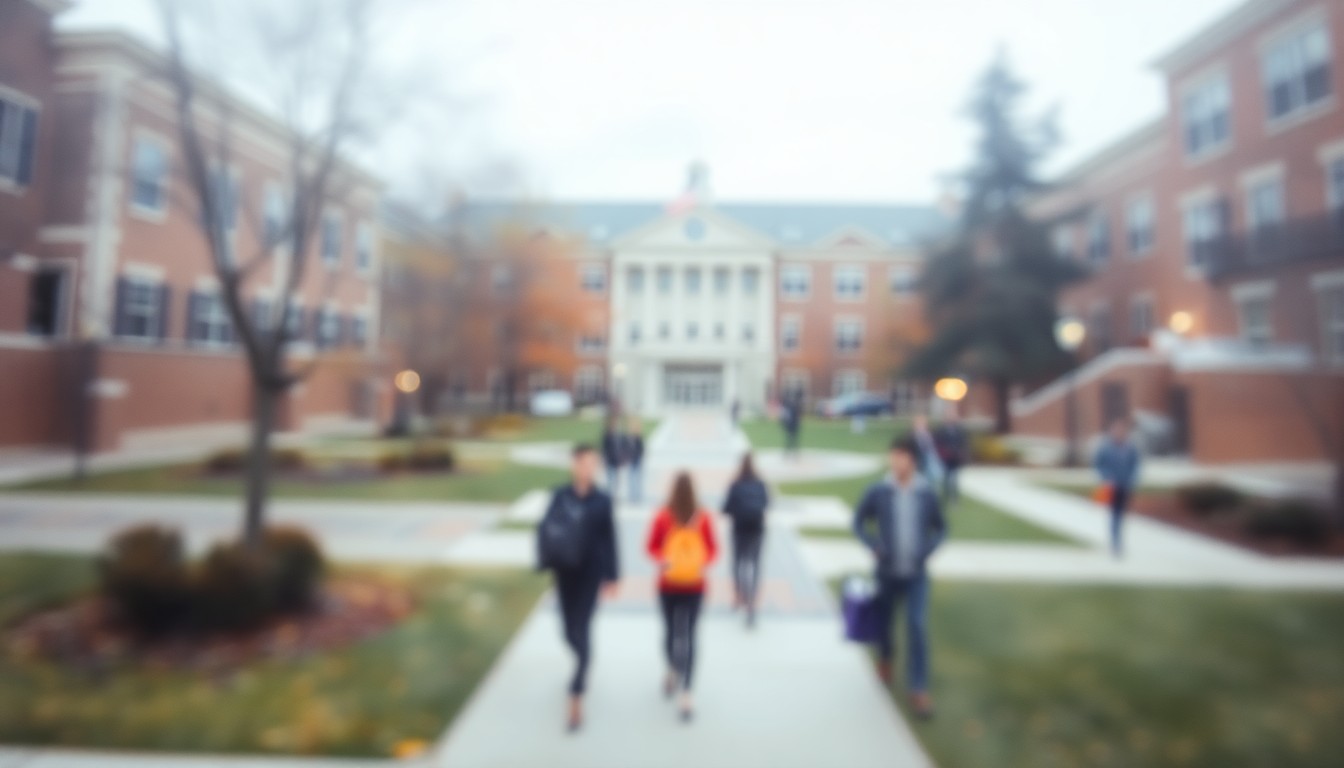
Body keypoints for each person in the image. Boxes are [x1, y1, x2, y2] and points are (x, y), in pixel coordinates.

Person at [852, 436, 947, 719]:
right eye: (893, 455)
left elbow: (941, 528)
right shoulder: (879, 491)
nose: (895, 461)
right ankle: (885, 662)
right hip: (886, 573)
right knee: (885, 625)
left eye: (901, 455)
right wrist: (872, 545)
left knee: (917, 626)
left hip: (916, 575)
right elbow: (858, 522)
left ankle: (918, 688)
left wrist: (928, 550)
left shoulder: (925, 493)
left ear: (913, 460)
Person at [536, 444, 620, 732]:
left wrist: (612, 575)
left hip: (590, 574)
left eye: (593, 463)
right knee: (567, 630)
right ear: (574, 464)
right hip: (565, 571)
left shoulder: (603, 500)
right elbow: (546, 529)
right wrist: (543, 561)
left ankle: (576, 693)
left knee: (582, 628)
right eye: (584, 463)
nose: (589, 468)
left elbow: (610, 537)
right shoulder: (559, 495)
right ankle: (581, 660)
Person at [645, 471, 718, 723]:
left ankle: (675, 673)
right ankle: (686, 688)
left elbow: (650, 547)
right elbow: (713, 550)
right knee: (688, 636)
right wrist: (700, 562)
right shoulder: (703, 517)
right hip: (694, 585)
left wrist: (663, 560)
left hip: (669, 585)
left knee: (671, 633)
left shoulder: (663, 516)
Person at [722, 453, 770, 628]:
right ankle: (752, 600)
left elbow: (725, 508)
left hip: (739, 530)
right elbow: (766, 504)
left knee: (738, 563)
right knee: (755, 564)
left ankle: (739, 594)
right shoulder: (760, 484)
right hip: (757, 530)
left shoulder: (735, 484)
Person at [1094, 417, 1141, 558]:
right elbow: (1099, 464)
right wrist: (1107, 478)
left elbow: (1135, 465)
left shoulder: (1130, 448)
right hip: (1111, 487)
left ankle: (1119, 540)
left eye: (1122, 430)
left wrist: (1132, 480)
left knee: (1121, 515)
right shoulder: (1105, 447)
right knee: (1114, 515)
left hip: (1125, 486)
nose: (1119, 432)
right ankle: (1115, 543)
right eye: (1116, 430)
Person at [935, 416, 969, 503]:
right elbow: (938, 443)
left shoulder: (958, 431)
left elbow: (962, 443)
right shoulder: (941, 430)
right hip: (946, 459)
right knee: (946, 479)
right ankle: (946, 496)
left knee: (954, 480)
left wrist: (960, 453)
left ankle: (954, 498)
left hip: (955, 459)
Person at [911, 414, 945, 488]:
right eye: (919, 424)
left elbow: (933, 448)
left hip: (929, 461)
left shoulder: (929, 435)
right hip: (918, 462)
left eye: (922, 424)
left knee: (931, 482)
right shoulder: (912, 436)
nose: (921, 426)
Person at [600, 418, 625, 496]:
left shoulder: (619, 436)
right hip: (609, 460)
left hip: (617, 461)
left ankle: (614, 494)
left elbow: (622, 448)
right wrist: (604, 460)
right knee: (610, 479)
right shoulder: (607, 436)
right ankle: (610, 495)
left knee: (616, 480)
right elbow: (604, 449)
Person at [624, 416, 645, 504]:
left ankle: (637, 495)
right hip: (631, 460)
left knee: (637, 478)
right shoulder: (629, 438)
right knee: (631, 478)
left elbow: (641, 449)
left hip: (637, 460)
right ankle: (632, 495)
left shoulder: (638, 438)